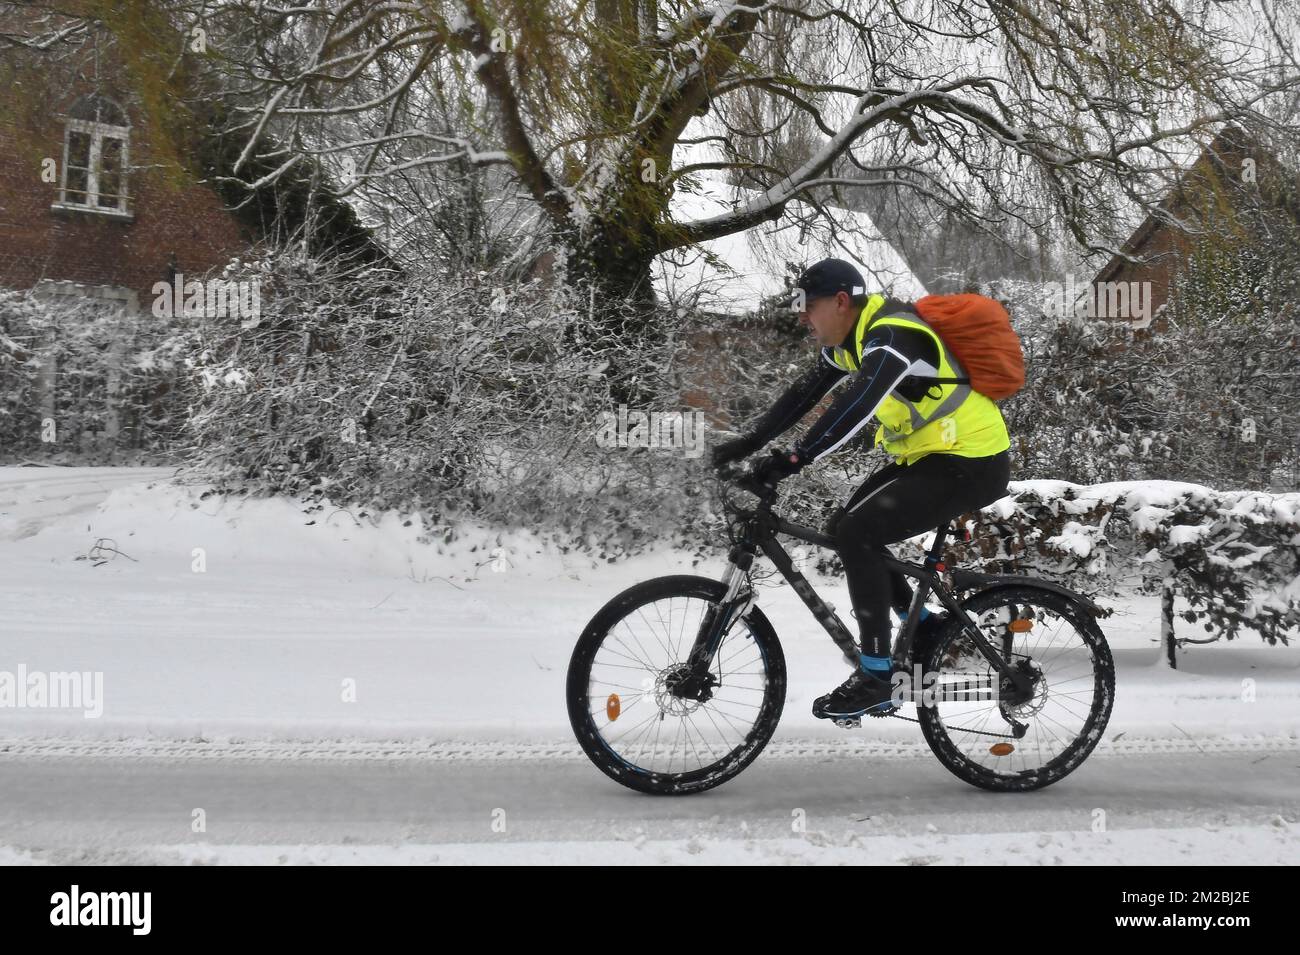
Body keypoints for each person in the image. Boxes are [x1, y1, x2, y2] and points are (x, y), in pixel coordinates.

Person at [711, 258, 1012, 720]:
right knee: (845, 528)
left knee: (859, 532)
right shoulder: (851, 342)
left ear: (840, 302)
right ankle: (930, 629)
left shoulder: (893, 336)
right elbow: (803, 395)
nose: (802, 318)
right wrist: (747, 444)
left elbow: (856, 405)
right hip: (932, 457)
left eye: (807, 307)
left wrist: (792, 459)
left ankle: (876, 675)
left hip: (972, 461)